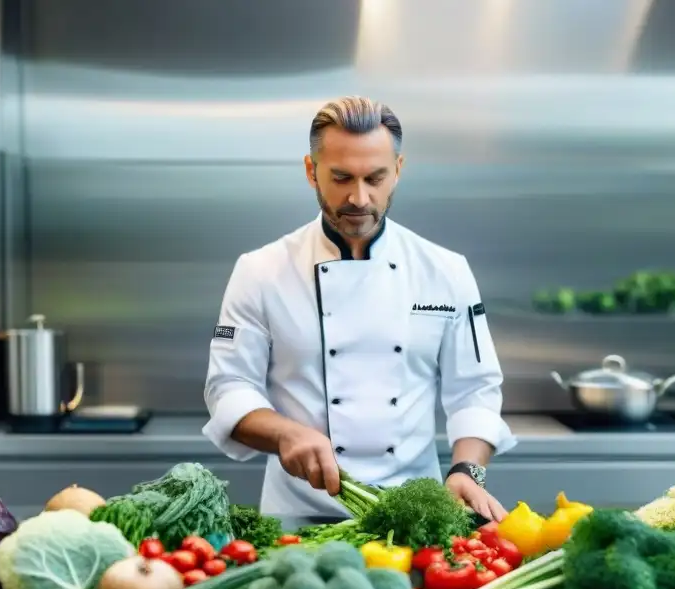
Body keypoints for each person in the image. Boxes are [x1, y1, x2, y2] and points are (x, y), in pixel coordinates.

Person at [203, 96, 515, 522]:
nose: (359, 198)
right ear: (311, 172)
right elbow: (228, 387)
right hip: (296, 518)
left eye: (375, 178)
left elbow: (475, 389)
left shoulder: (445, 270)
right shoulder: (260, 271)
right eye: (341, 177)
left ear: (398, 171)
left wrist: (468, 469)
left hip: (416, 520)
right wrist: (286, 434)